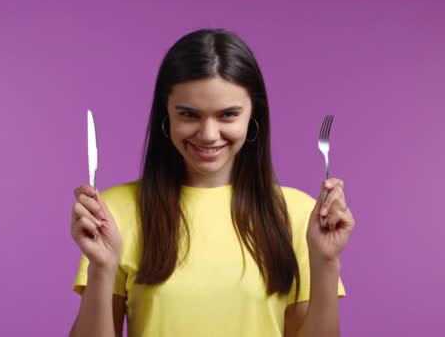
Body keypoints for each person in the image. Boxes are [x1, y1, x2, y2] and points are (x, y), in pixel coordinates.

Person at [69, 28, 355, 337]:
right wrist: (101, 269)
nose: (208, 134)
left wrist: (325, 263)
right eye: (189, 114)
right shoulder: (114, 212)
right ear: (167, 112)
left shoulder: (298, 214)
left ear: (252, 115)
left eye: (228, 115)